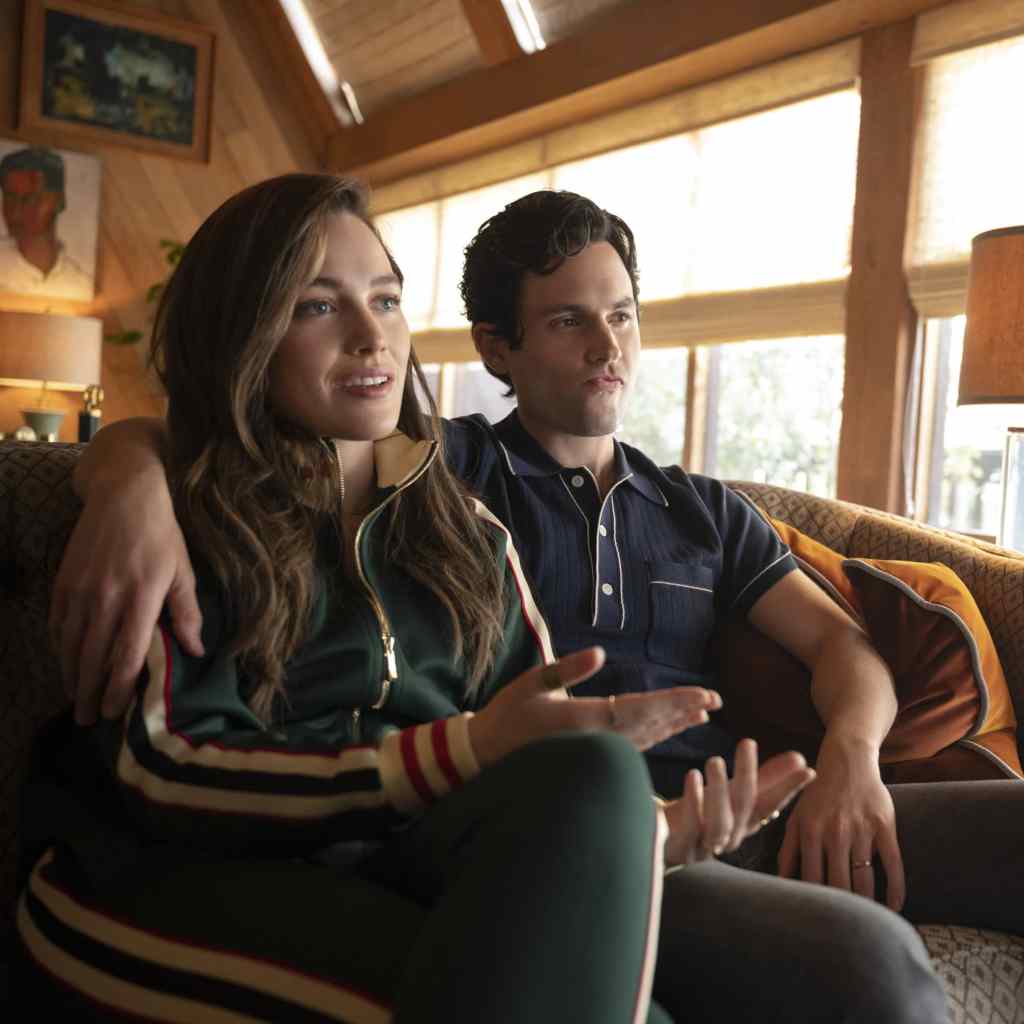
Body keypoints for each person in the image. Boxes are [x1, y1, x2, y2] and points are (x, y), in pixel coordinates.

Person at [54, 187, 1023, 1023]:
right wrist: (126, 472)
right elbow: (246, 436)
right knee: (863, 965)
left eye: (622, 315)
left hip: (733, 809)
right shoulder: (444, 470)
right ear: (496, 347)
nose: (607, 345)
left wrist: (853, 760)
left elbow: (846, 647)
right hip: (573, 829)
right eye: (567, 321)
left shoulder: (695, 508)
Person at [0, 145, 93, 300]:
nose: (16, 213)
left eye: (31, 199)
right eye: (10, 198)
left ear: (60, 201)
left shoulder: (81, 284)